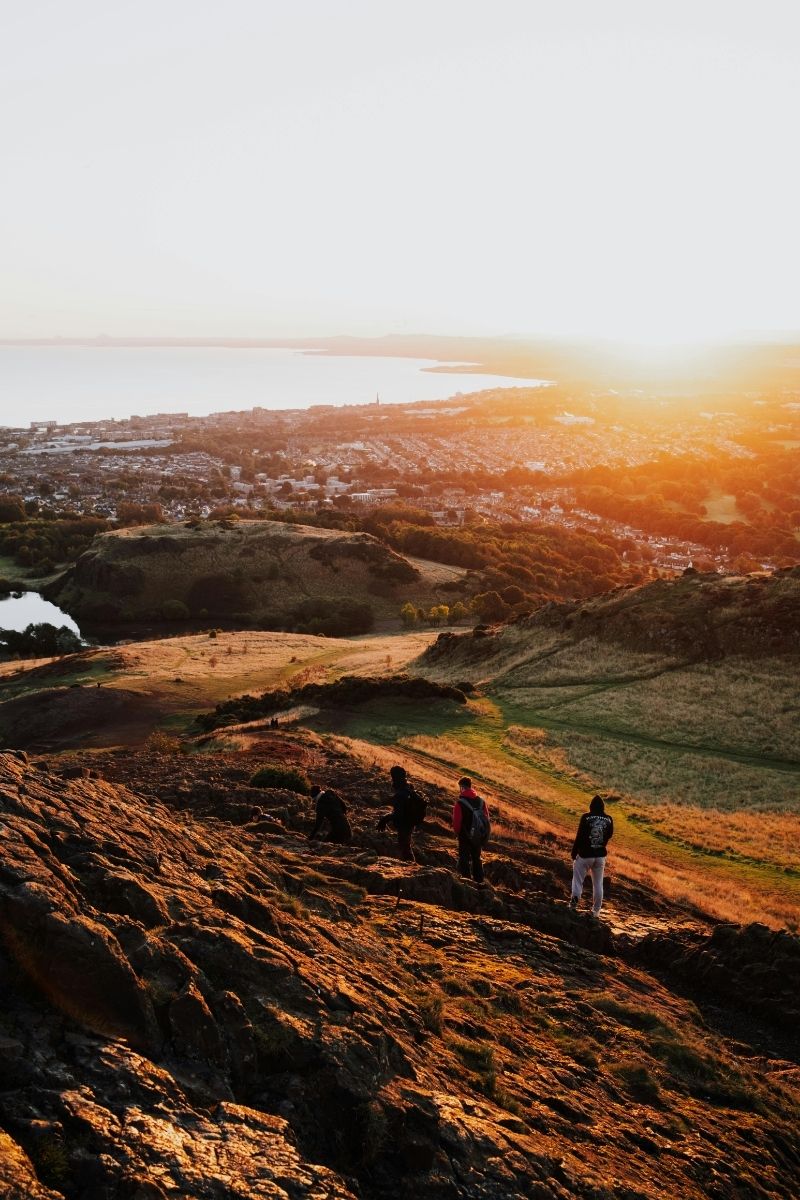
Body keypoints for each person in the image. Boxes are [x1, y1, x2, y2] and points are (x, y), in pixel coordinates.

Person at [570, 795, 613, 916]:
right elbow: (609, 835)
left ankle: (573, 905)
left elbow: (579, 836)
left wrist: (574, 852)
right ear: (603, 807)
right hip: (600, 856)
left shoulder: (586, 817)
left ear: (591, 806)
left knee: (578, 881)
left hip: (585, 855)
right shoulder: (609, 819)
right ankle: (596, 911)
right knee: (598, 883)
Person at [452, 776, 490, 884]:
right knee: (476, 858)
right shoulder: (481, 802)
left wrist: (457, 833)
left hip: (464, 836)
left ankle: (467, 882)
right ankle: (479, 881)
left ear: (462, 787)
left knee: (464, 858)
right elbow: (486, 818)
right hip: (478, 836)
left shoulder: (460, 803)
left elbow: (456, 822)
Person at [377, 765, 418, 862]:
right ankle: (410, 865)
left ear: (395, 777)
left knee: (404, 847)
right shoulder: (408, 786)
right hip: (410, 822)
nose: (392, 779)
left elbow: (398, 814)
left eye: (392, 776)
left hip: (405, 824)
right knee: (406, 845)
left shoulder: (401, 793)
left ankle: (410, 866)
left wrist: (384, 819)